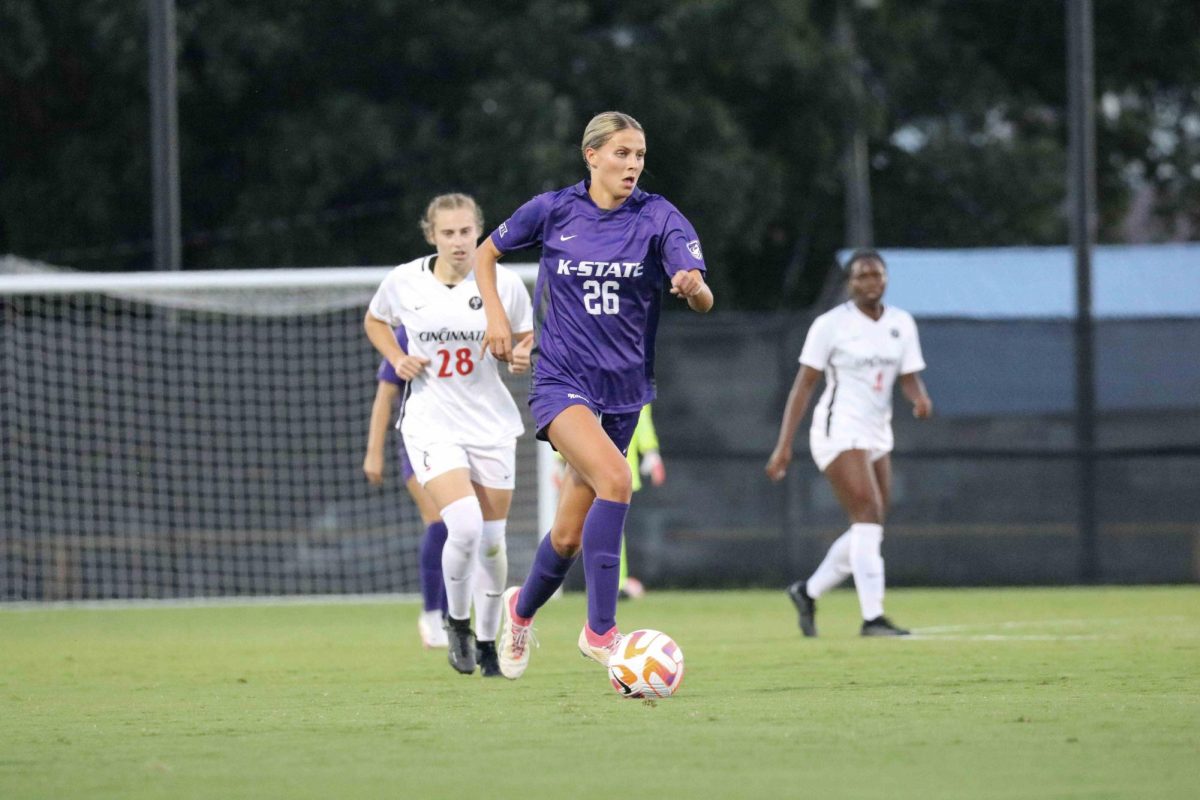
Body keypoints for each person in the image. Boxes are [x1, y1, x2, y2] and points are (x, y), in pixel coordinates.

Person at [474, 111, 714, 680]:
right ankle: (601, 632)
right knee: (616, 479)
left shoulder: (660, 217)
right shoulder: (554, 209)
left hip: (625, 391)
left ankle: (520, 610)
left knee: (566, 536)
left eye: (639, 155)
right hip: (561, 381)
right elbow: (486, 254)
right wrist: (496, 319)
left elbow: (703, 297)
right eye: (622, 153)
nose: (632, 164)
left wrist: (694, 286)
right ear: (593, 156)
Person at [364, 193, 534, 677]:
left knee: (494, 544)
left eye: (466, 232)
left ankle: (486, 641)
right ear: (431, 235)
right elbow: (375, 320)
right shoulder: (405, 281)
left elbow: (525, 337)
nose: (459, 241)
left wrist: (522, 354)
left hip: (490, 424)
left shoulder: (502, 283)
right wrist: (397, 359)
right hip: (432, 422)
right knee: (461, 526)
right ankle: (454, 624)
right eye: (449, 233)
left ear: (478, 231)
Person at [765, 248, 932, 637]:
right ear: (850, 283)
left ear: (886, 279)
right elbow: (804, 385)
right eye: (862, 276)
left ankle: (807, 592)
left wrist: (918, 398)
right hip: (837, 428)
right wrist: (783, 445)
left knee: (869, 524)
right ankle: (872, 618)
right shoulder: (830, 325)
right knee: (868, 515)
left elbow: (908, 375)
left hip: (877, 431)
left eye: (877, 275)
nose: (870, 282)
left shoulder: (901, 323)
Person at [362, 324, 450, 649]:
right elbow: (386, 393)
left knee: (466, 527)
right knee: (441, 522)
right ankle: (432, 615)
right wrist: (373, 453)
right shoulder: (409, 331)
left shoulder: (466, 318)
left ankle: (453, 615)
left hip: (462, 438)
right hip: (417, 444)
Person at [620, 403, 666, 599]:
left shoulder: (636, 374)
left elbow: (640, 412)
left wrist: (650, 453)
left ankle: (613, 581)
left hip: (615, 464)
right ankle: (613, 581)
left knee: (610, 525)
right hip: (591, 460)